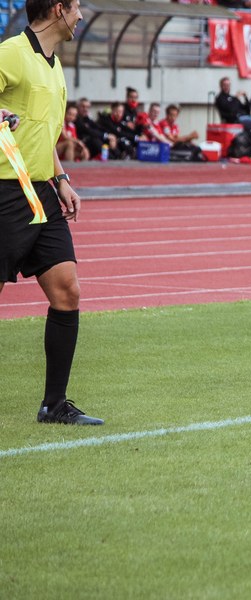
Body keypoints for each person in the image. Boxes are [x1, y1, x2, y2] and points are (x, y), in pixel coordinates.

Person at [0, 0, 103, 424]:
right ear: (59, 9)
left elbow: (44, 133)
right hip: (5, 191)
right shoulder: (11, 53)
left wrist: (62, 179)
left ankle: (54, 405)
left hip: (41, 191)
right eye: (76, 7)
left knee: (67, 291)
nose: (81, 16)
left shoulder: (55, 64)